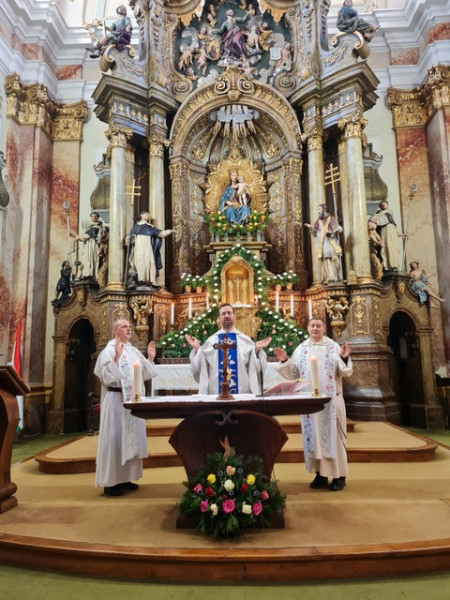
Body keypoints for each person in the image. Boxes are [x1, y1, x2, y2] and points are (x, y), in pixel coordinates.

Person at [274, 318, 352, 491]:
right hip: (310, 403)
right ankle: (320, 474)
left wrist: (344, 358)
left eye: (318, 326)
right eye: (312, 325)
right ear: (308, 328)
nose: (315, 328)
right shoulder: (301, 349)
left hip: (331, 402)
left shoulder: (333, 347)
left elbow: (345, 371)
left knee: (334, 439)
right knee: (315, 439)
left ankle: (339, 476)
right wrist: (285, 360)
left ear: (324, 328)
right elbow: (294, 374)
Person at [94, 319, 157, 497]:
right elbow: (106, 378)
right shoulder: (108, 350)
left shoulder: (133, 351)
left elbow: (145, 374)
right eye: (124, 327)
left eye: (129, 327)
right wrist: (116, 357)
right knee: (114, 440)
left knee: (130, 439)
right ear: (115, 331)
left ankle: (126, 478)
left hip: (132, 402)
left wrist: (150, 358)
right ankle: (111, 482)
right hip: (116, 400)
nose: (129, 329)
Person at [185, 303, 271, 395]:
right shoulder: (211, 342)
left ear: (234, 316)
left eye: (229, 313)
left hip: (241, 393)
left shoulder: (245, 341)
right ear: (219, 319)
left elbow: (255, 368)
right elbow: (201, 368)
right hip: (216, 393)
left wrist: (256, 350)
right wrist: (197, 349)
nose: (226, 316)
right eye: (223, 314)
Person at [127, 211, 173, 288]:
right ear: (141, 215)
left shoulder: (149, 227)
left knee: (151, 263)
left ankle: (152, 281)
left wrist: (170, 231)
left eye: (148, 215)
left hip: (147, 247)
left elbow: (161, 234)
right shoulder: (136, 226)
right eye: (146, 215)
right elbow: (131, 237)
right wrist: (128, 239)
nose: (148, 216)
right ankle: (140, 280)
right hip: (138, 247)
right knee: (139, 263)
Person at [304, 204, 343, 284]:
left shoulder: (331, 219)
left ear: (324, 209)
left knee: (335, 258)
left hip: (331, 241)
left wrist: (333, 231)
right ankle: (330, 277)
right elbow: (315, 233)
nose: (317, 211)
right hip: (323, 243)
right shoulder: (318, 221)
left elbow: (338, 228)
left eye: (319, 209)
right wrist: (311, 227)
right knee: (326, 260)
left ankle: (337, 276)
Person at [373, 200, 404, 272]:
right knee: (386, 247)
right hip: (384, 230)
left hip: (392, 231)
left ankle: (394, 265)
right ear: (380, 206)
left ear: (387, 205)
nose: (384, 205)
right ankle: (387, 265)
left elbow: (394, 226)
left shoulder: (390, 214)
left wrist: (400, 234)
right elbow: (373, 223)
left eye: (385, 204)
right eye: (382, 204)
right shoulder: (377, 214)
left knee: (393, 247)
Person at [75, 212, 103, 280]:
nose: (94, 217)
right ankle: (85, 273)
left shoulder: (97, 226)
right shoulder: (91, 226)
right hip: (88, 245)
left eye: (95, 216)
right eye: (92, 216)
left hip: (92, 245)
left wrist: (78, 237)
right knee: (85, 258)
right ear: (90, 217)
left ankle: (91, 274)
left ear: (97, 217)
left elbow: (88, 235)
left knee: (90, 258)